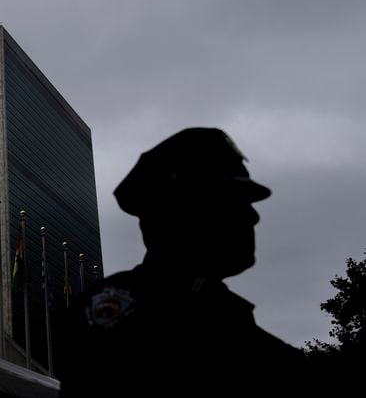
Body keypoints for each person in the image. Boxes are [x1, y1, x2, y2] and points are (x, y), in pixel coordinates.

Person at [57, 128, 304, 394]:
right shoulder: (128, 313)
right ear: (178, 212)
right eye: (231, 200)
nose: (253, 216)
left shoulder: (217, 310)